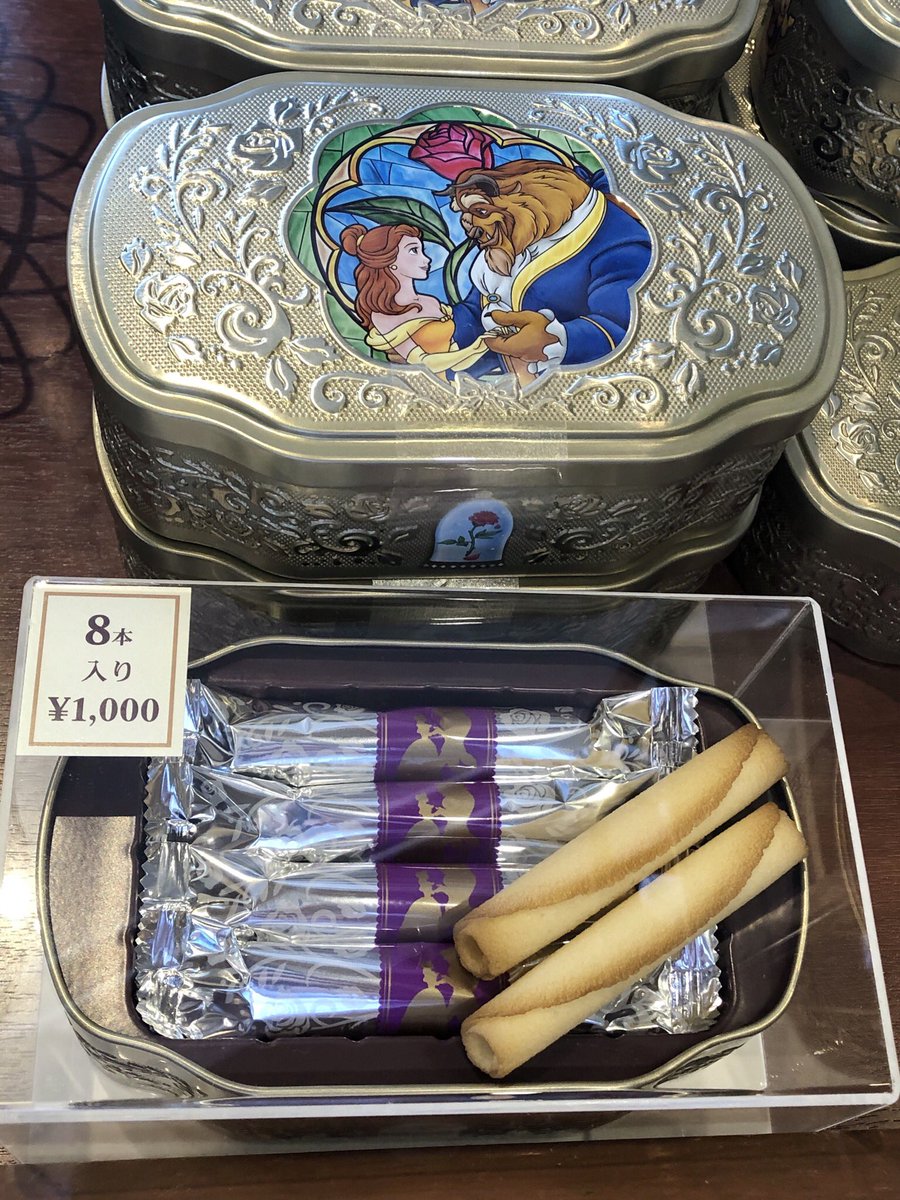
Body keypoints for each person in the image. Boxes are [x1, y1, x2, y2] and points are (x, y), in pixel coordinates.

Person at [340, 222, 493, 374]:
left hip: (451, 382)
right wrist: (477, 347)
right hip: (421, 386)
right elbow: (423, 363)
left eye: (422, 250)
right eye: (414, 251)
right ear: (390, 260)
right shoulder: (383, 317)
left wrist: (485, 345)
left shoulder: (431, 302)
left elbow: (456, 364)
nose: (426, 259)